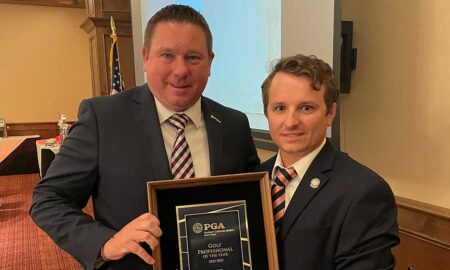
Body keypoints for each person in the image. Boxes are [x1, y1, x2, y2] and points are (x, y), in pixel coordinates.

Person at [30, 4, 259, 270]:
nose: (181, 70)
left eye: (193, 57)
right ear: (145, 58)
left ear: (210, 62)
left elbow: (253, 201)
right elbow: (48, 199)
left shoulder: (233, 124)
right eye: (167, 55)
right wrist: (105, 242)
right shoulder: (103, 118)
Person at [257, 54, 399, 269]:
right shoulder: (256, 180)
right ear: (267, 113)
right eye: (280, 108)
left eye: (306, 108)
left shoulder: (364, 192)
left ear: (330, 112)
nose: (291, 122)